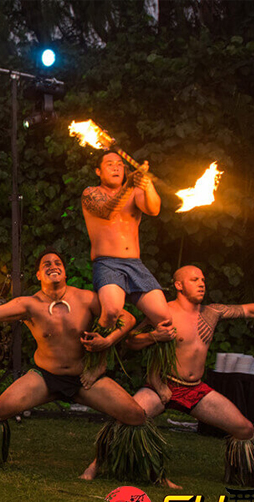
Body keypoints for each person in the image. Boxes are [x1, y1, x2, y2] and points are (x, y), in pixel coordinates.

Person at [0, 248, 146, 471]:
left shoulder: (87, 298)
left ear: (65, 272)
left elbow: (127, 318)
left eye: (57, 263)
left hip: (84, 378)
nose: (53, 266)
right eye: (46, 264)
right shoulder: (29, 304)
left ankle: (118, 466)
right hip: (45, 378)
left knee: (135, 414)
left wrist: (107, 342)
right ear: (38, 275)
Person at [83, 265, 254, 487]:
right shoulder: (162, 312)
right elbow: (131, 341)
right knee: (125, 418)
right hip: (161, 386)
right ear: (179, 285)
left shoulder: (212, 313)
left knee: (245, 429)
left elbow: (251, 310)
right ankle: (95, 465)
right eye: (194, 279)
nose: (201, 284)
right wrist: (154, 336)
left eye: (203, 280)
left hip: (196, 389)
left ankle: (244, 475)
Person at [81, 152, 175, 402]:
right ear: (98, 171)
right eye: (109, 164)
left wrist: (147, 182)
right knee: (111, 311)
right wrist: (131, 185)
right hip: (107, 262)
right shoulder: (91, 193)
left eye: (120, 165)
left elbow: (154, 209)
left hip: (135, 264)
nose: (116, 168)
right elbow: (107, 213)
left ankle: (155, 376)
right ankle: (98, 362)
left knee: (164, 319)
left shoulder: (134, 191)